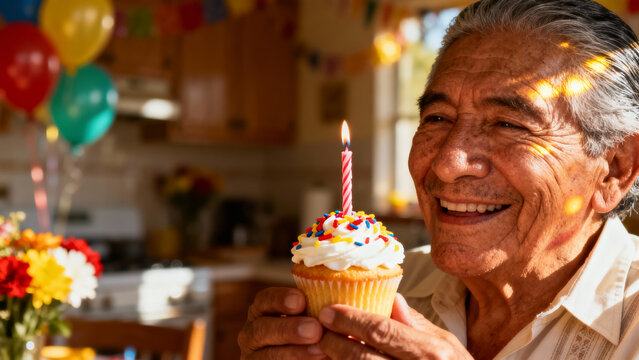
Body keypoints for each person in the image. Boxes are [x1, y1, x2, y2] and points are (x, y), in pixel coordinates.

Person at [237, 0, 639, 358]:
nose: (447, 163)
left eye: (508, 123)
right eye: (438, 118)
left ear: (616, 169)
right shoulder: (392, 285)